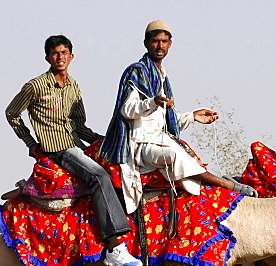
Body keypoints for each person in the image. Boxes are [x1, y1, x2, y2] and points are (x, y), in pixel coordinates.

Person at [5, 35, 143, 266]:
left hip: (75, 143)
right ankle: (114, 246)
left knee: (121, 164)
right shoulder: (35, 86)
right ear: (48, 57)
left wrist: (105, 141)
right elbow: (12, 113)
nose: (60, 57)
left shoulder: (73, 86)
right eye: (55, 53)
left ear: (71, 56)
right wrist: (30, 143)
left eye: (64, 53)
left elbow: (80, 127)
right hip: (58, 149)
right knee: (99, 176)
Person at [100, 20, 257, 211]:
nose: (160, 46)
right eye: (156, 41)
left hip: (159, 138)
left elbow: (165, 121)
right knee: (174, 155)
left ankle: (218, 184)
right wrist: (153, 102)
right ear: (146, 43)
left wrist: (192, 116)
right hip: (140, 146)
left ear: (170, 44)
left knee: (186, 152)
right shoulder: (137, 72)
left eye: (164, 41)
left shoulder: (162, 77)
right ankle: (226, 184)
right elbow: (127, 109)